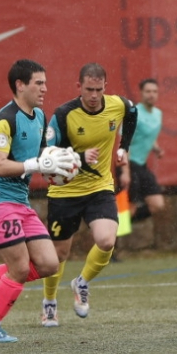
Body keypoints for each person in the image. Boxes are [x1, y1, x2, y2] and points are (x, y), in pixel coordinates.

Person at [0, 59, 78, 343]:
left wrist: (58, 168)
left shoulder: (39, 116)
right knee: (19, 268)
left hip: (20, 203)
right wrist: (36, 164)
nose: (45, 89)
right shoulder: (6, 120)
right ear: (20, 85)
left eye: (45, 83)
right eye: (39, 83)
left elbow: (41, 159)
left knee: (50, 263)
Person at [39, 63, 137, 326]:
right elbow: (47, 156)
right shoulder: (63, 115)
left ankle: (81, 283)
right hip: (65, 192)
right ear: (78, 87)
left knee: (106, 240)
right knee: (58, 256)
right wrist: (79, 157)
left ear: (105, 87)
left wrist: (123, 147)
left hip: (99, 188)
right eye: (88, 89)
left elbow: (132, 112)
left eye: (98, 89)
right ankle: (49, 302)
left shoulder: (117, 105)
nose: (94, 96)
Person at [128, 77, 168, 224]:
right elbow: (122, 143)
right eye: (148, 91)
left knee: (157, 204)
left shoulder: (158, 114)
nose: (151, 94)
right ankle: (112, 239)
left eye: (154, 91)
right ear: (141, 93)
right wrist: (125, 171)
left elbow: (149, 135)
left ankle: (119, 223)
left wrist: (156, 148)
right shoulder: (134, 114)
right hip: (128, 165)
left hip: (142, 166)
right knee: (129, 206)